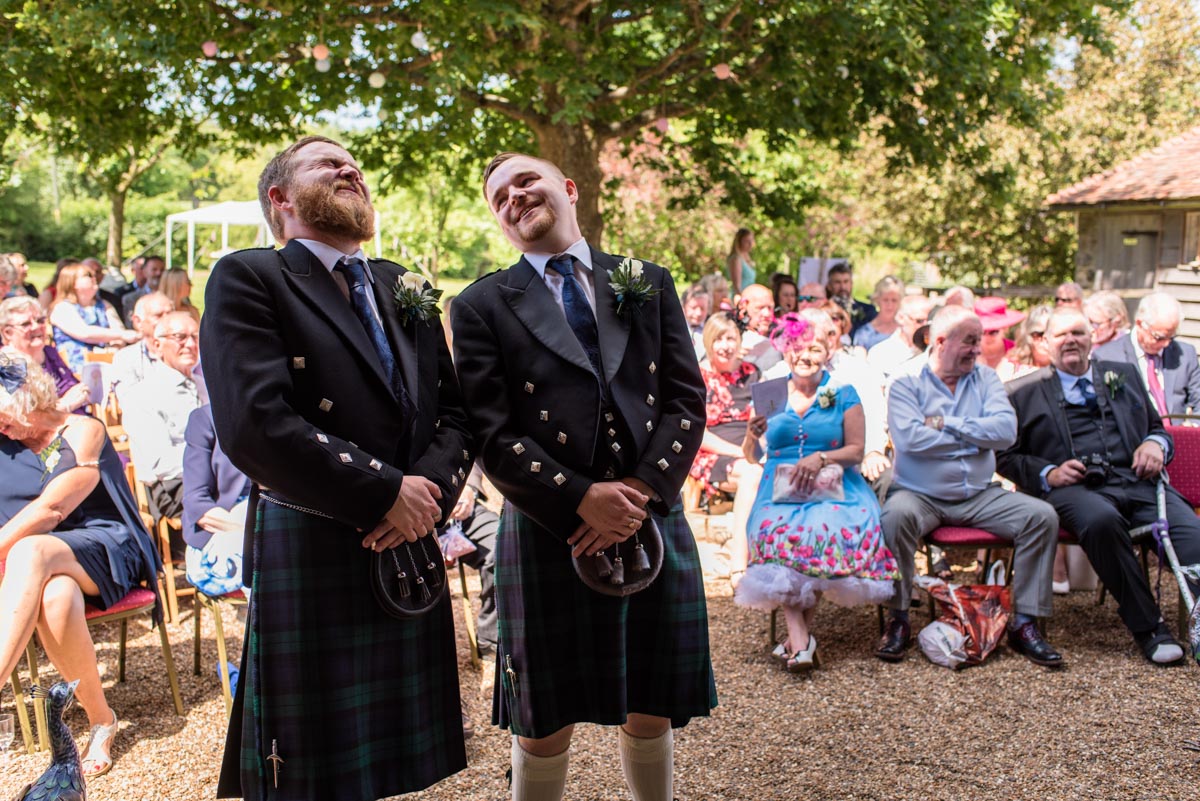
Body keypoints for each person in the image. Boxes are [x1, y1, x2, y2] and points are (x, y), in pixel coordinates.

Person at [202, 135, 472, 801]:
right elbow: (254, 422)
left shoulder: (400, 280)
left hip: (408, 539)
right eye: (327, 162)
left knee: (382, 765)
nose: (350, 167)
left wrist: (426, 494)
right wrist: (385, 492)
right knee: (308, 767)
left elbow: (458, 411)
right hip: (313, 533)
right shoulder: (251, 276)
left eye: (355, 162)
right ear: (282, 197)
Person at [452, 151, 716, 801]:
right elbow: (491, 431)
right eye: (499, 197)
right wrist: (580, 500)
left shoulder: (645, 279)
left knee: (651, 699)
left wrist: (643, 492)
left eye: (526, 181)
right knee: (542, 716)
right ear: (499, 222)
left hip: (647, 513)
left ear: (567, 189)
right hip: (550, 525)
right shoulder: (481, 303)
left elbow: (685, 399)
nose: (515, 197)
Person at [998, 308, 1200, 664]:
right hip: (1075, 489)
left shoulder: (1122, 374)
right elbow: (1005, 456)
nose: (1071, 340)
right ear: (1045, 342)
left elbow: (1157, 428)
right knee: (1102, 522)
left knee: (1192, 535)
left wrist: (1156, 445)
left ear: (1092, 336)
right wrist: (1048, 472)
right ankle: (1150, 629)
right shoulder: (1021, 391)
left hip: (1139, 481)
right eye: (1060, 335)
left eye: (1078, 332)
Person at [0, 353, 162, 778]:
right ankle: (101, 719)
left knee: (31, 550)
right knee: (55, 596)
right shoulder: (5, 445)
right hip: (49, 561)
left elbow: (53, 508)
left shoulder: (83, 430)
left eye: (3, 416)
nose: (1, 427)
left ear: (26, 399)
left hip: (106, 545)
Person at [875, 306, 1063, 667]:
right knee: (895, 518)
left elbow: (1006, 433)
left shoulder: (987, 379)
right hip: (919, 493)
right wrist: (976, 434)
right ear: (941, 341)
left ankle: (1025, 623)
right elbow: (910, 441)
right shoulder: (905, 381)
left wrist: (944, 423)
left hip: (979, 493)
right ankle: (897, 618)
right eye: (971, 341)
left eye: (979, 341)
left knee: (1041, 517)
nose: (978, 349)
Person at [735, 314, 898, 671]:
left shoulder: (842, 392)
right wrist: (750, 435)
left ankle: (797, 641)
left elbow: (857, 450)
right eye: (797, 347)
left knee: (822, 532)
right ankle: (801, 639)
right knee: (775, 534)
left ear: (828, 351)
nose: (804, 355)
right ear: (786, 351)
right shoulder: (770, 391)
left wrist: (822, 457)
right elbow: (753, 456)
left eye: (814, 348)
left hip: (835, 487)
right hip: (778, 491)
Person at [690, 313, 762, 581]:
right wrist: (740, 453)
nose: (725, 345)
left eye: (731, 338)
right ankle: (738, 564)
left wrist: (755, 446)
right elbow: (697, 432)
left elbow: (763, 415)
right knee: (752, 473)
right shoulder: (696, 376)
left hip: (752, 446)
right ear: (708, 342)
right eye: (719, 338)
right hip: (713, 452)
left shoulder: (752, 373)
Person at [120, 311, 205, 529]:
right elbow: (162, 463)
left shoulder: (206, 386)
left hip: (217, 474)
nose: (190, 344)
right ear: (157, 345)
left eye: (195, 337)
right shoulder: (142, 394)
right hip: (173, 485)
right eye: (179, 337)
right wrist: (214, 465)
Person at [1094, 292, 1200, 419]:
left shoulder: (1185, 354)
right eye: (1159, 337)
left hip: (1179, 435)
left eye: (1171, 336)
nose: (1166, 344)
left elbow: (1198, 400)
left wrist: (1193, 425)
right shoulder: (1107, 357)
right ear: (1139, 324)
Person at [181, 404, 251, 597]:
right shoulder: (204, 418)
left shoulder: (283, 414)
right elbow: (197, 502)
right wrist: (251, 530)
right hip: (222, 531)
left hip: (271, 525)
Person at [0, 296, 89, 413]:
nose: (36, 326)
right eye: (26, 324)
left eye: (40, 320)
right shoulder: (7, 363)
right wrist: (65, 406)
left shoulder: (49, 352)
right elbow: (24, 417)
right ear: (7, 333)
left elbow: (72, 386)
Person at [48, 262, 138, 373]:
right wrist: (122, 335)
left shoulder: (104, 305)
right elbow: (84, 332)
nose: (94, 278)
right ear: (72, 282)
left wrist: (116, 345)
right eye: (88, 275)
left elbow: (119, 331)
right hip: (74, 369)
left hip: (106, 363)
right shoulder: (62, 308)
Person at [108, 292, 174, 407]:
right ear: (138, 322)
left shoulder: (189, 352)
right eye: (158, 315)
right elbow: (129, 402)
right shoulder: (126, 358)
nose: (166, 320)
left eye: (170, 314)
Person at [867, 294, 933, 381]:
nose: (925, 326)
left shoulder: (935, 352)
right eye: (919, 321)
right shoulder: (880, 353)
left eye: (929, 322)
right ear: (901, 318)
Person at [996, 304, 1052, 382]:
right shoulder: (1010, 367)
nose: (1044, 339)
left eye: (1050, 333)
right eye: (1038, 334)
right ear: (1027, 334)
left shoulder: (1067, 369)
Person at [973, 297, 1026, 371]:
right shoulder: (967, 353)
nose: (987, 337)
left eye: (993, 332)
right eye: (982, 331)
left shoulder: (1019, 352)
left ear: (1005, 329)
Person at [852, 276, 903, 351]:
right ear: (877, 300)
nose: (890, 305)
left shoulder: (904, 329)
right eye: (885, 300)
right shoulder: (864, 333)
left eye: (894, 300)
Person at [737, 283, 780, 370]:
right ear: (743, 308)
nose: (767, 314)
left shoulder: (781, 338)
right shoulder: (731, 338)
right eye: (760, 308)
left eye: (770, 308)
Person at [825, 262, 876, 335]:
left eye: (846, 282)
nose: (842, 287)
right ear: (829, 286)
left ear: (852, 284)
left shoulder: (868, 310)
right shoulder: (822, 310)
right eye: (837, 282)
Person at [121, 255, 165, 325]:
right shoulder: (131, 299)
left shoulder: (174, 296)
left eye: (162, 270)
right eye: (154, 269)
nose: (158, 273)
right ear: (145, 272)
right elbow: (130, 325)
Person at [680, 285, 710, 359]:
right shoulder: (675, 328)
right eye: (693, 307)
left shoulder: (711, 329)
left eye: (702, 308)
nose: (698, 313)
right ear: (683, 306)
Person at [726, 227, 756, 293]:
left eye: (751, 240)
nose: (750, 244)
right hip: (741, 297)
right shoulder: (736, 259)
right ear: (739, 241)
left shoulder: (747, 257)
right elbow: (737, 286)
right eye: (747, 241)